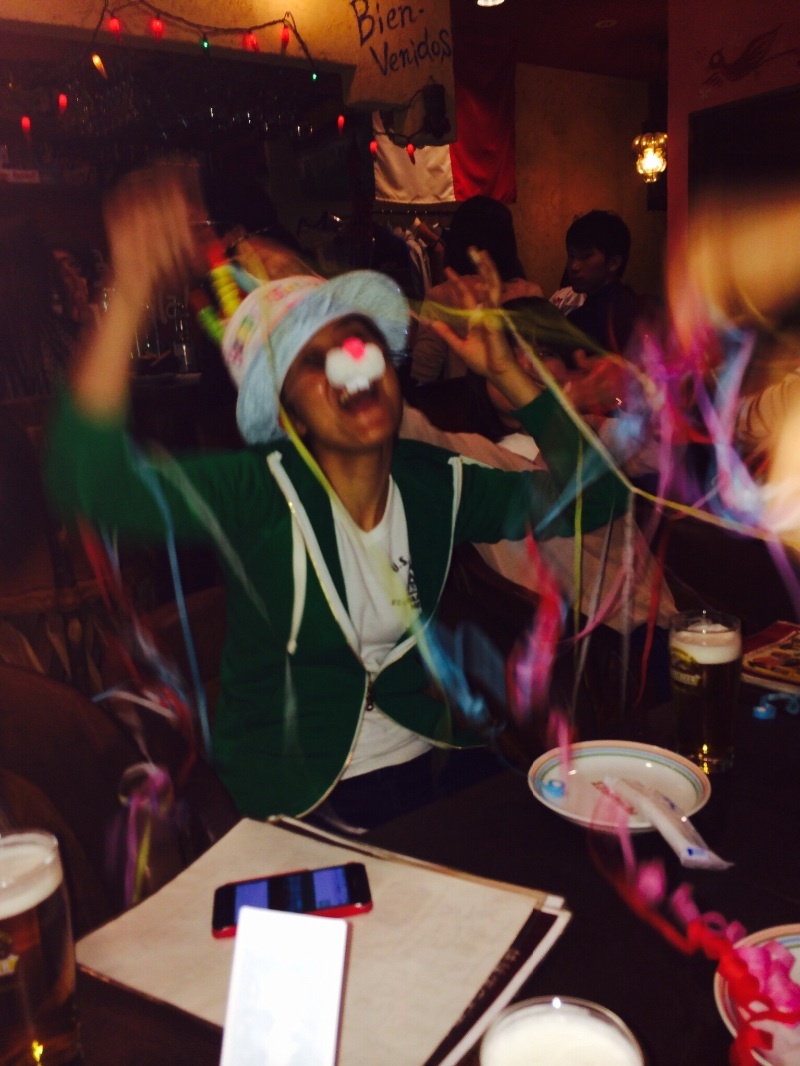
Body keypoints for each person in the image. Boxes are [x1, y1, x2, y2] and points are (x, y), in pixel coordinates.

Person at [46, 167, 627, 830]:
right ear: (287, 411)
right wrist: (131, 291)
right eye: (310, 362)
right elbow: (86, 478)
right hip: (301, 796)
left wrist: (513, 380)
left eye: (355, 343)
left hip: (431, 765)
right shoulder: (259, 490)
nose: (347, 368)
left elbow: (601, 498)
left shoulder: (435, 481)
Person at [410, 196, 543, 385]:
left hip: (467, 401)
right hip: (525, 398)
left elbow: (424, 372)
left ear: (458, 239)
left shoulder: (443, 295)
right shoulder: (531, 291)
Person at [561, 209, 639, 356]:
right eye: (571, 256)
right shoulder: (626, 301)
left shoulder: (596, 318)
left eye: (585, 256)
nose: (574, 266)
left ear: (614, 263)